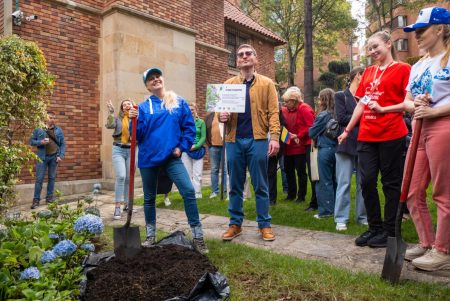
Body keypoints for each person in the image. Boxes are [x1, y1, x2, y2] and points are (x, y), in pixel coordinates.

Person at [338, 31, 410, 248]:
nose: (372, 51)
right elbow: (361, 104)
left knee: (390, 184)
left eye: (376, 46)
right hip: (367, 135)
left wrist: (385, 109)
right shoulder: (368, 72)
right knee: (367, 181)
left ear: (388, 44)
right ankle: (375, 227)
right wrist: (348, 130)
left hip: (391, 134)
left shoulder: (403, 69)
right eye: (369, 48)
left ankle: (390, 232)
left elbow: (408, 102)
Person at [128, 67, 208, 254]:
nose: (155, 80)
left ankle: (198, 236)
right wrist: (133, 119)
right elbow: (137, 136)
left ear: (163, 79)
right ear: (147, 86)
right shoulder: (143, 107)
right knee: (149, 198)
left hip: (171, 158)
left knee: (188, 191)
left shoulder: (177, 102)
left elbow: (189, 129)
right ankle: (150, 236)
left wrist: (181, 148)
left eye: (158, 76)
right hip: (148, 158)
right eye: (151, 79)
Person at [401, 7, 450, 270]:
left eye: (421, 30)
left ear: (440, 29)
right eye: (414, 32)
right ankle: (427, 242)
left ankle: (443, 251)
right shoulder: (418, 65)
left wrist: (434, 110)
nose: (416, 36)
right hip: (419, 128)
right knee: (411, 190)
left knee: (443, 193)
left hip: (444, 126)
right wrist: (415, 104)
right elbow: (406, 100)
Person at [219, 44, 280, 241]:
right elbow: (221, 113)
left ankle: (265, 224)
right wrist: (222, 116)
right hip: (233, 140)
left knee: (260, 184)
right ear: (237, 60)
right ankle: (235, 224)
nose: (244, 57)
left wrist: (276, 138)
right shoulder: (228, 84)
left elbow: (274, 113)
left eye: (248, 54)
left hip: (258, 139)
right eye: (240, 55)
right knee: (235, 185)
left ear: (255, 59)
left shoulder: (267, 84)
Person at [334, 67, 368, 231]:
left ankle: (362, 217)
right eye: (365, 75)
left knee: (364, 183)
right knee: (344, 182)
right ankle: (341, 218)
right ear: (358, 76)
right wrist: (362, 115)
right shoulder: (341, 96)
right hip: (345, 144)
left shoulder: (367, 97)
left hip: (364, 144)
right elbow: (341, 118)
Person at [281, 86, 316, 204]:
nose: (285, 104)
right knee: (288, 170)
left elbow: (311, 127)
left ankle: (302, 196)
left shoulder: (303, 108)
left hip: (301, 146)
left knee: (302, 172)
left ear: (294, 100)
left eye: (287, 101)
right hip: (288, 146)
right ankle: (291, 194)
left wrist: (297, 136)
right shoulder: (285, 111)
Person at [308, 88, 337, 219]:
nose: (318, 101)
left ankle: (326, 211)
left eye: (320, 99)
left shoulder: (323, 115)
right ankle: (336, 207)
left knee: (324, 180)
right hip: (337, 149)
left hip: (325, 149)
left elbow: (312, 133)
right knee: (335, 180)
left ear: (324, 99)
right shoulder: (337, 113)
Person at [105, 99, 135, 219]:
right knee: (121, 176)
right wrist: (111, 112)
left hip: (131, 150)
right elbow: (110, 125)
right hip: (118, 149)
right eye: (124, 105)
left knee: (128, 178)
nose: (126, 105)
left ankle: (127, 204)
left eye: (129, 104)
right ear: (122, 108)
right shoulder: (118, 118)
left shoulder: (136, 119)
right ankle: (117, 206)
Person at [30, 112, 66, 209]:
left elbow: (62, 144)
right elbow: (31, 141)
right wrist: (41, 142)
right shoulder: (39, 129)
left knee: (52, 178)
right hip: (42, 158)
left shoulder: (58, 130)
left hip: (54, 157)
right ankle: (36, 200)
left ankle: (49, 198)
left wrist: (61, 155)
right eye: (50, 117)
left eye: (54, 118)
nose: (53, 119)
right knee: (39, 179)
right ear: (46, 118)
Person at [181, 102, 206, 199]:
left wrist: (196, 146)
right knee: (187, 173)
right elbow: (181, 135)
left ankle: (198, 192)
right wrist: (186, 146)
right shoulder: (183, 122)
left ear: (196, 110)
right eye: (189, 110)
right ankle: (190, 193)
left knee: (198, 173)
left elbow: (203, 137)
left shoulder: (201, 122)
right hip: (186, 151)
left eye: (192, 109)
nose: (191, 111)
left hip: (198, 150)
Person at [205, 112, 227, 199]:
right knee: (214, 170)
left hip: (225, 147)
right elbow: (206, 131)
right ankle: (215, 191)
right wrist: (209, 145)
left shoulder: (226, 114)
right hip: (213, 147)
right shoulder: (209, 116)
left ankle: (225, 191)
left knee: (225, 170)